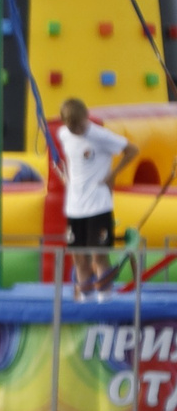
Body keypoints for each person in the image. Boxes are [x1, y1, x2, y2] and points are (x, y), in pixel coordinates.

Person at [56, 97, 134, 297]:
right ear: (66, 125)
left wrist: (112, 174)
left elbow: (132, 150)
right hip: (75, 207)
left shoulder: (101, 136)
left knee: (99, 257)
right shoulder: (64, 134)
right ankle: (85, 300)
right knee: (79, 259)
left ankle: (104, 300)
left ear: (86, 117)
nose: (78, 132)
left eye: (81, 126)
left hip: (98, 205)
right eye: (73, 128)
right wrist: (67, 177)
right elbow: (73, 160)